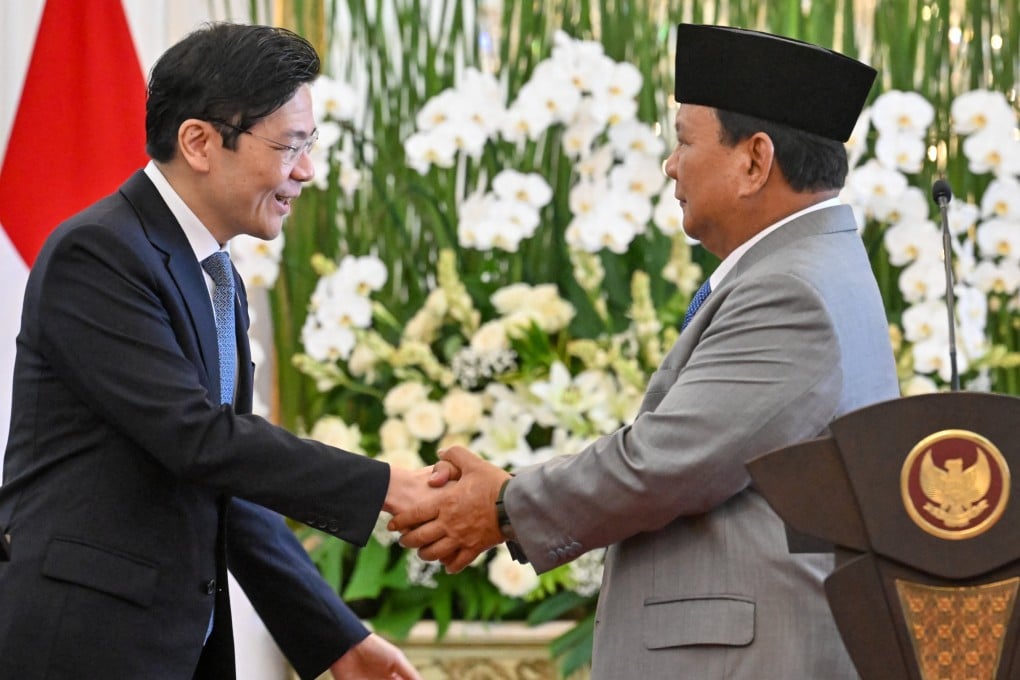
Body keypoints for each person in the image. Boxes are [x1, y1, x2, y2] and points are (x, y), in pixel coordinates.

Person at [392, 23, 900, 679]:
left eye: (685, 142)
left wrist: (504, 505)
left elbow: (666, 464)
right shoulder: (816, 264)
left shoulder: (789, 288)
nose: (670, 164)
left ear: (754, 161)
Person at [0, 23, 427, 680]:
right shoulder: (101, 253)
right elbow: (199, 440)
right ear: (199, 142)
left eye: (310, 145)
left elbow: (225, 482)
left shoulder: (212, 273)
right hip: (80, 644)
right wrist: (384, 484)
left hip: (169, 648)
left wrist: (335, 640)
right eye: (290, 146)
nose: (307, 170)